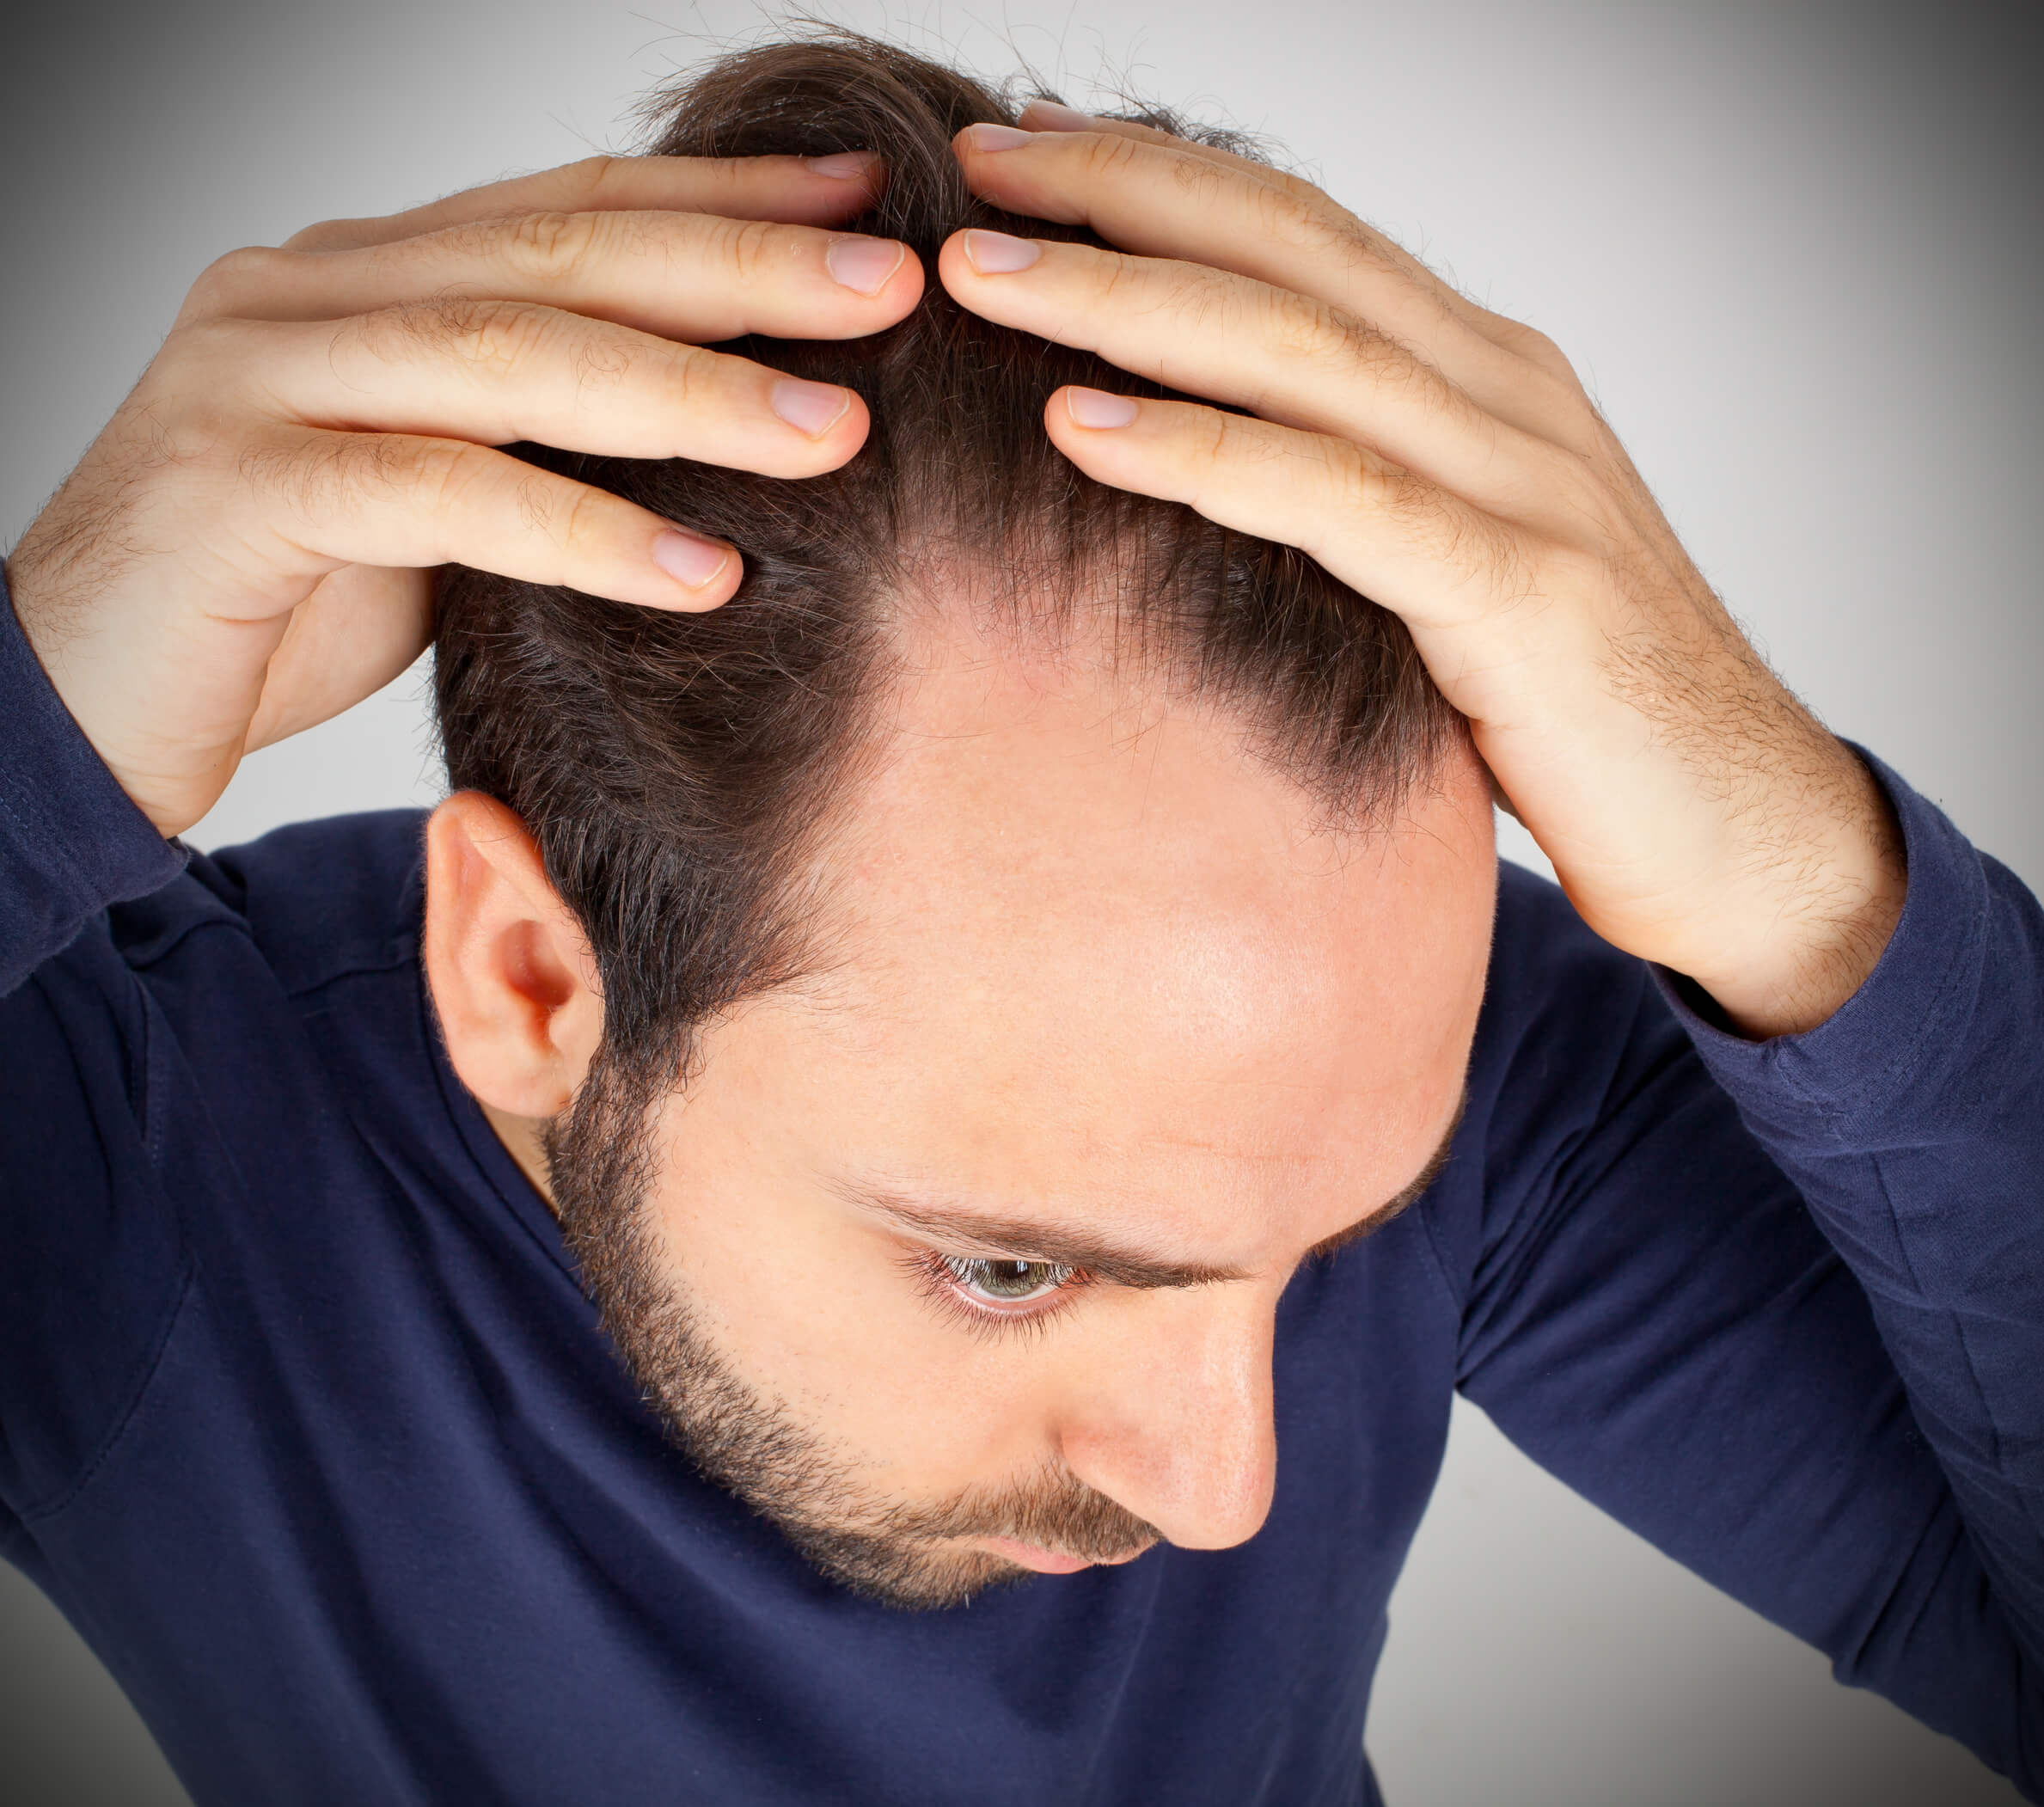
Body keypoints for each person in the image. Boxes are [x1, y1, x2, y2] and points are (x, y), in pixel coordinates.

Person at [1, 28, 2037, 1806]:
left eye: (1328, 1253)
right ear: (526, 976)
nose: (1218, 1488)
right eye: (1004, 1269)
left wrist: (1809, 880)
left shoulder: (1429, 1041)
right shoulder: (131, 1158)